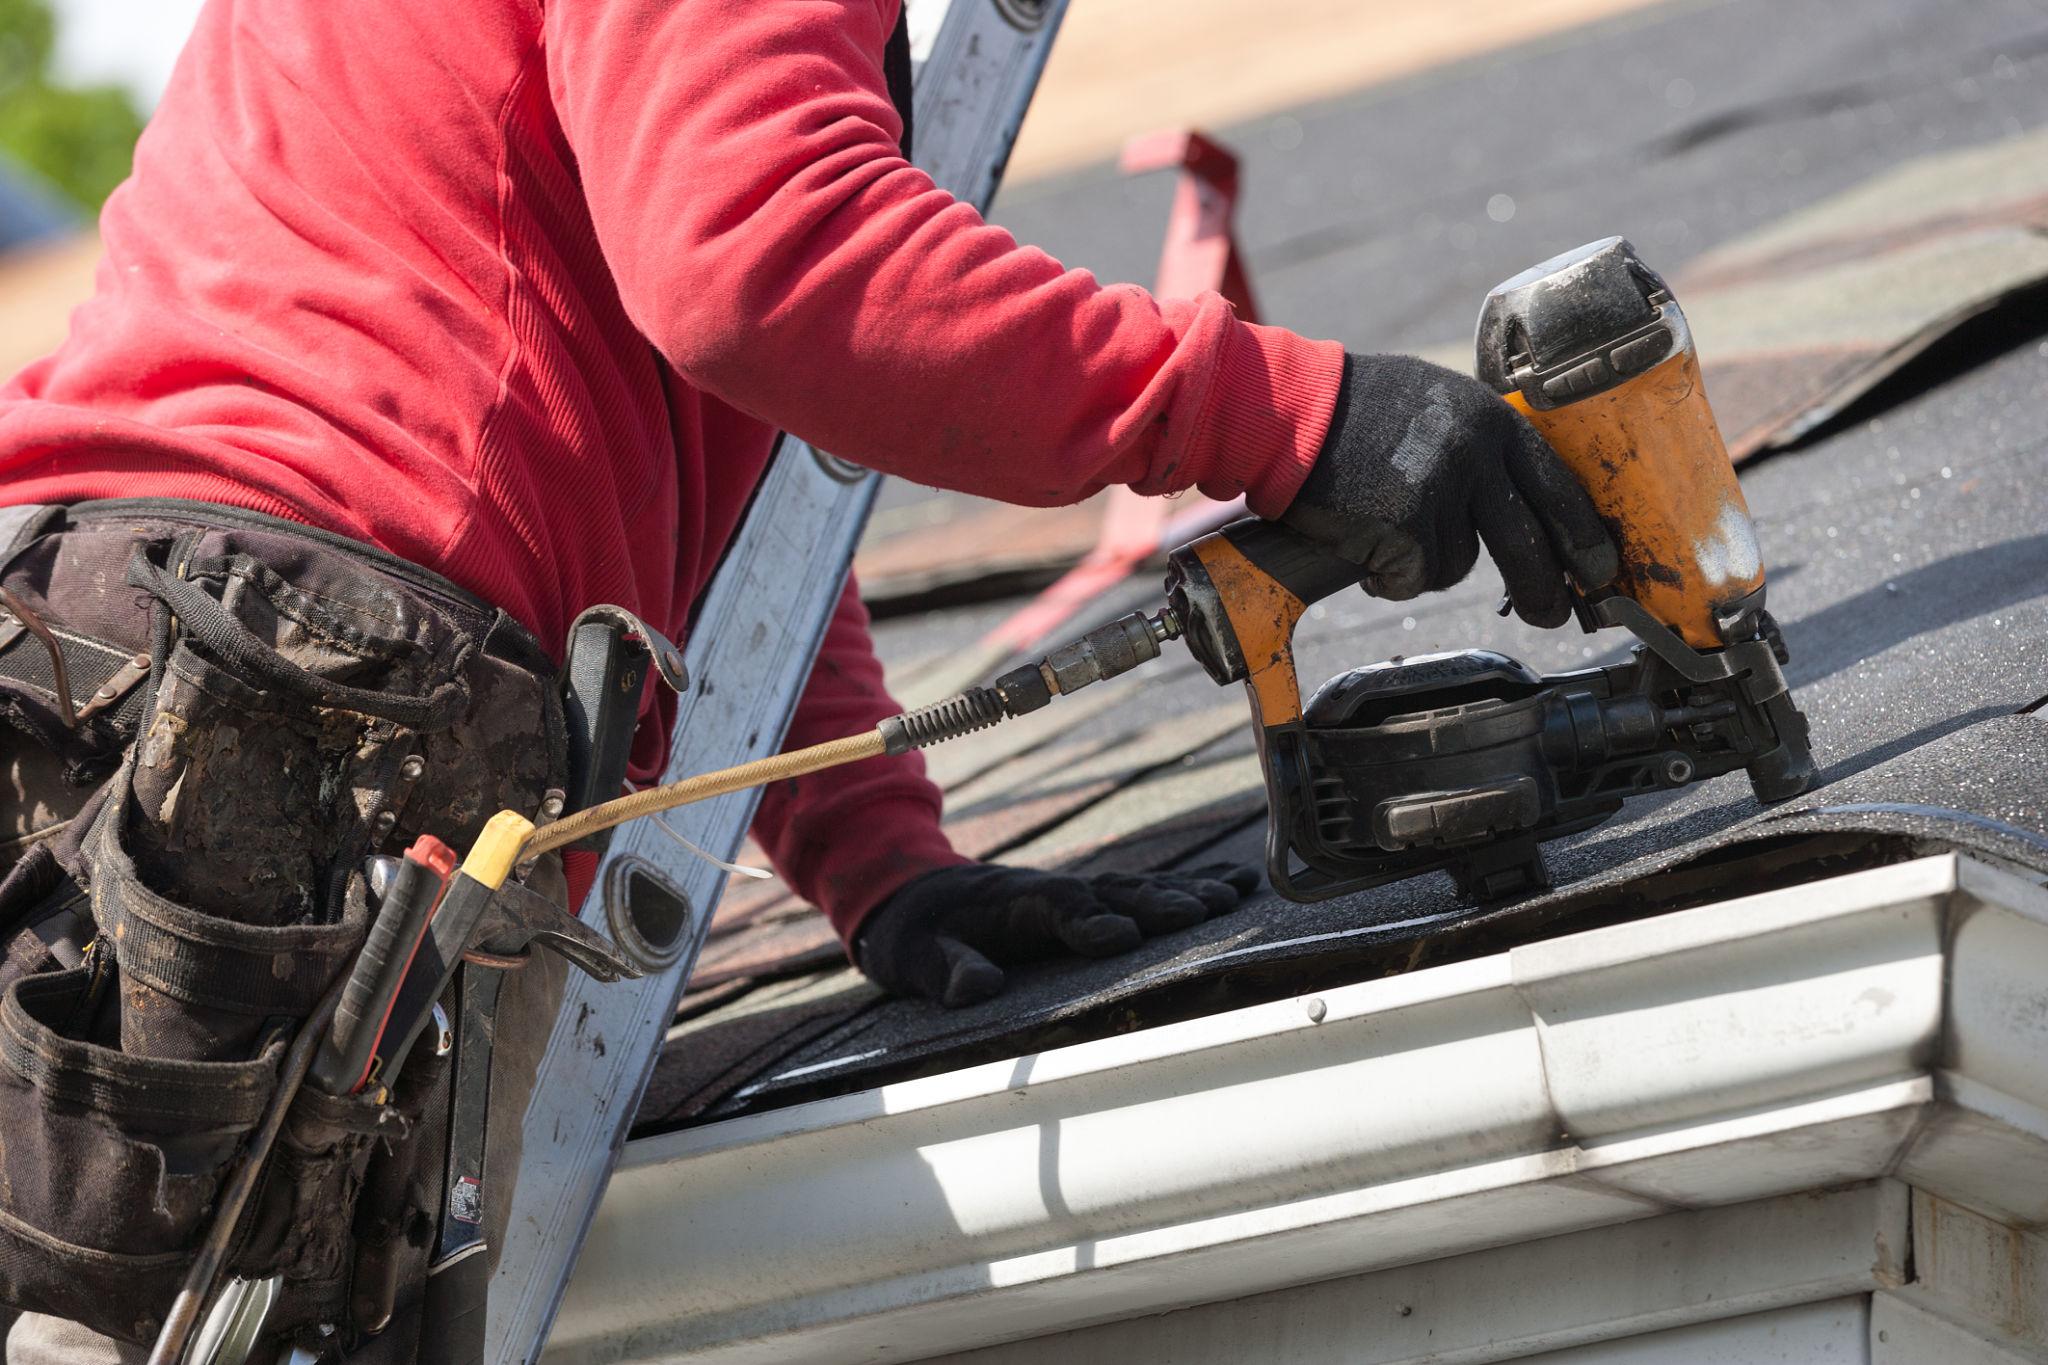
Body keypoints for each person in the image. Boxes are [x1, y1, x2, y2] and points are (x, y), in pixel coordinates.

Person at [0, 0, 1617, 1357]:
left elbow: (713, 472)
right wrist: (1290, 417)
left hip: (107, 665)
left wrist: (878, 855)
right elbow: (764, 264)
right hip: (283, 694)